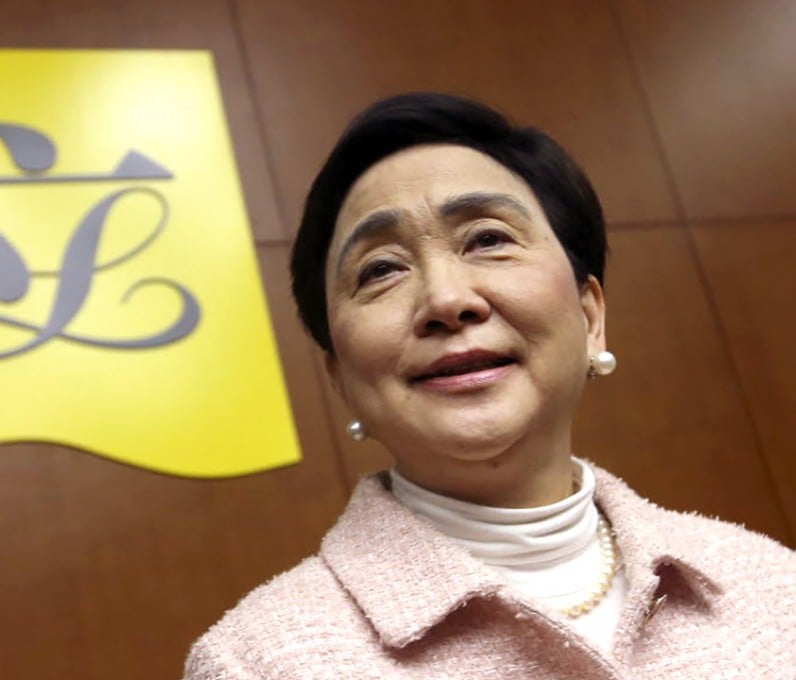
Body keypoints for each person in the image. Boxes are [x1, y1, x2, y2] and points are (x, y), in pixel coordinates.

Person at [183, 93, 795, 679]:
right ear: (339, 377)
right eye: (381, 270)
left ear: (589, 318)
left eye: (488, 239)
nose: (447, 301)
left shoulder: (771, 585)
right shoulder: (257, 662)